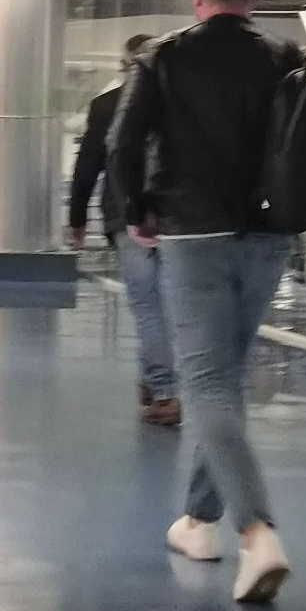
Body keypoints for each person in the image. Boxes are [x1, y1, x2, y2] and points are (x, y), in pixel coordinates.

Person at [108, 0, 302, 604]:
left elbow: (122, 143)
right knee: (227, 377)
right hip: (268, 237)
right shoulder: (285, 58)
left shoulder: (163, 57)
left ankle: (258, 533)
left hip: (193, 237)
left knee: (210, 383)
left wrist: (137, 213)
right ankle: (197, 521)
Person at [69, 33, 181, 428]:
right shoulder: (181, 105)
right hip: (176, 218)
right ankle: (153, 381)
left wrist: (77, 218)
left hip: (125, 215)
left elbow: (88, 167)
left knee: (147, 305)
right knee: (167, 303)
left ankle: (165, 392)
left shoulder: (106, 106)